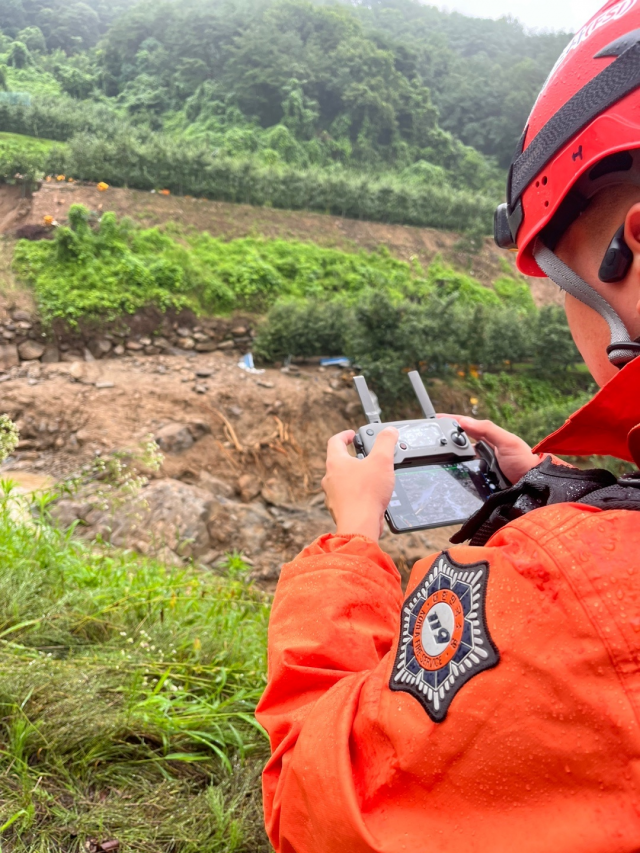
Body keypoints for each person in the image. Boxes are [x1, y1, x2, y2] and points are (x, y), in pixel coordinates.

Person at [256, 3, 640, 851]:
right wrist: (562, 488)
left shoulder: (581, 596)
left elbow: (316, 799)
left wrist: (352, 543)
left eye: (552, 267)